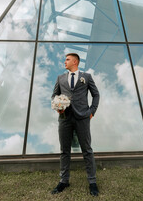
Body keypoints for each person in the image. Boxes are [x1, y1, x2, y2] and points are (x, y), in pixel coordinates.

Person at [51, 53, 100, 196]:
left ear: (75, 61)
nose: (64, 62)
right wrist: (58, 106)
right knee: (64, 151)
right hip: (64, 118)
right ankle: (64, 181)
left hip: (82, 118)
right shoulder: (60, 78)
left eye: (67, 59)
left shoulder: (87, 77)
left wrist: (92, 111)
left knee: (87, 150)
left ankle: (92, 182)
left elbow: (96, 94)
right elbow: (54, 95)